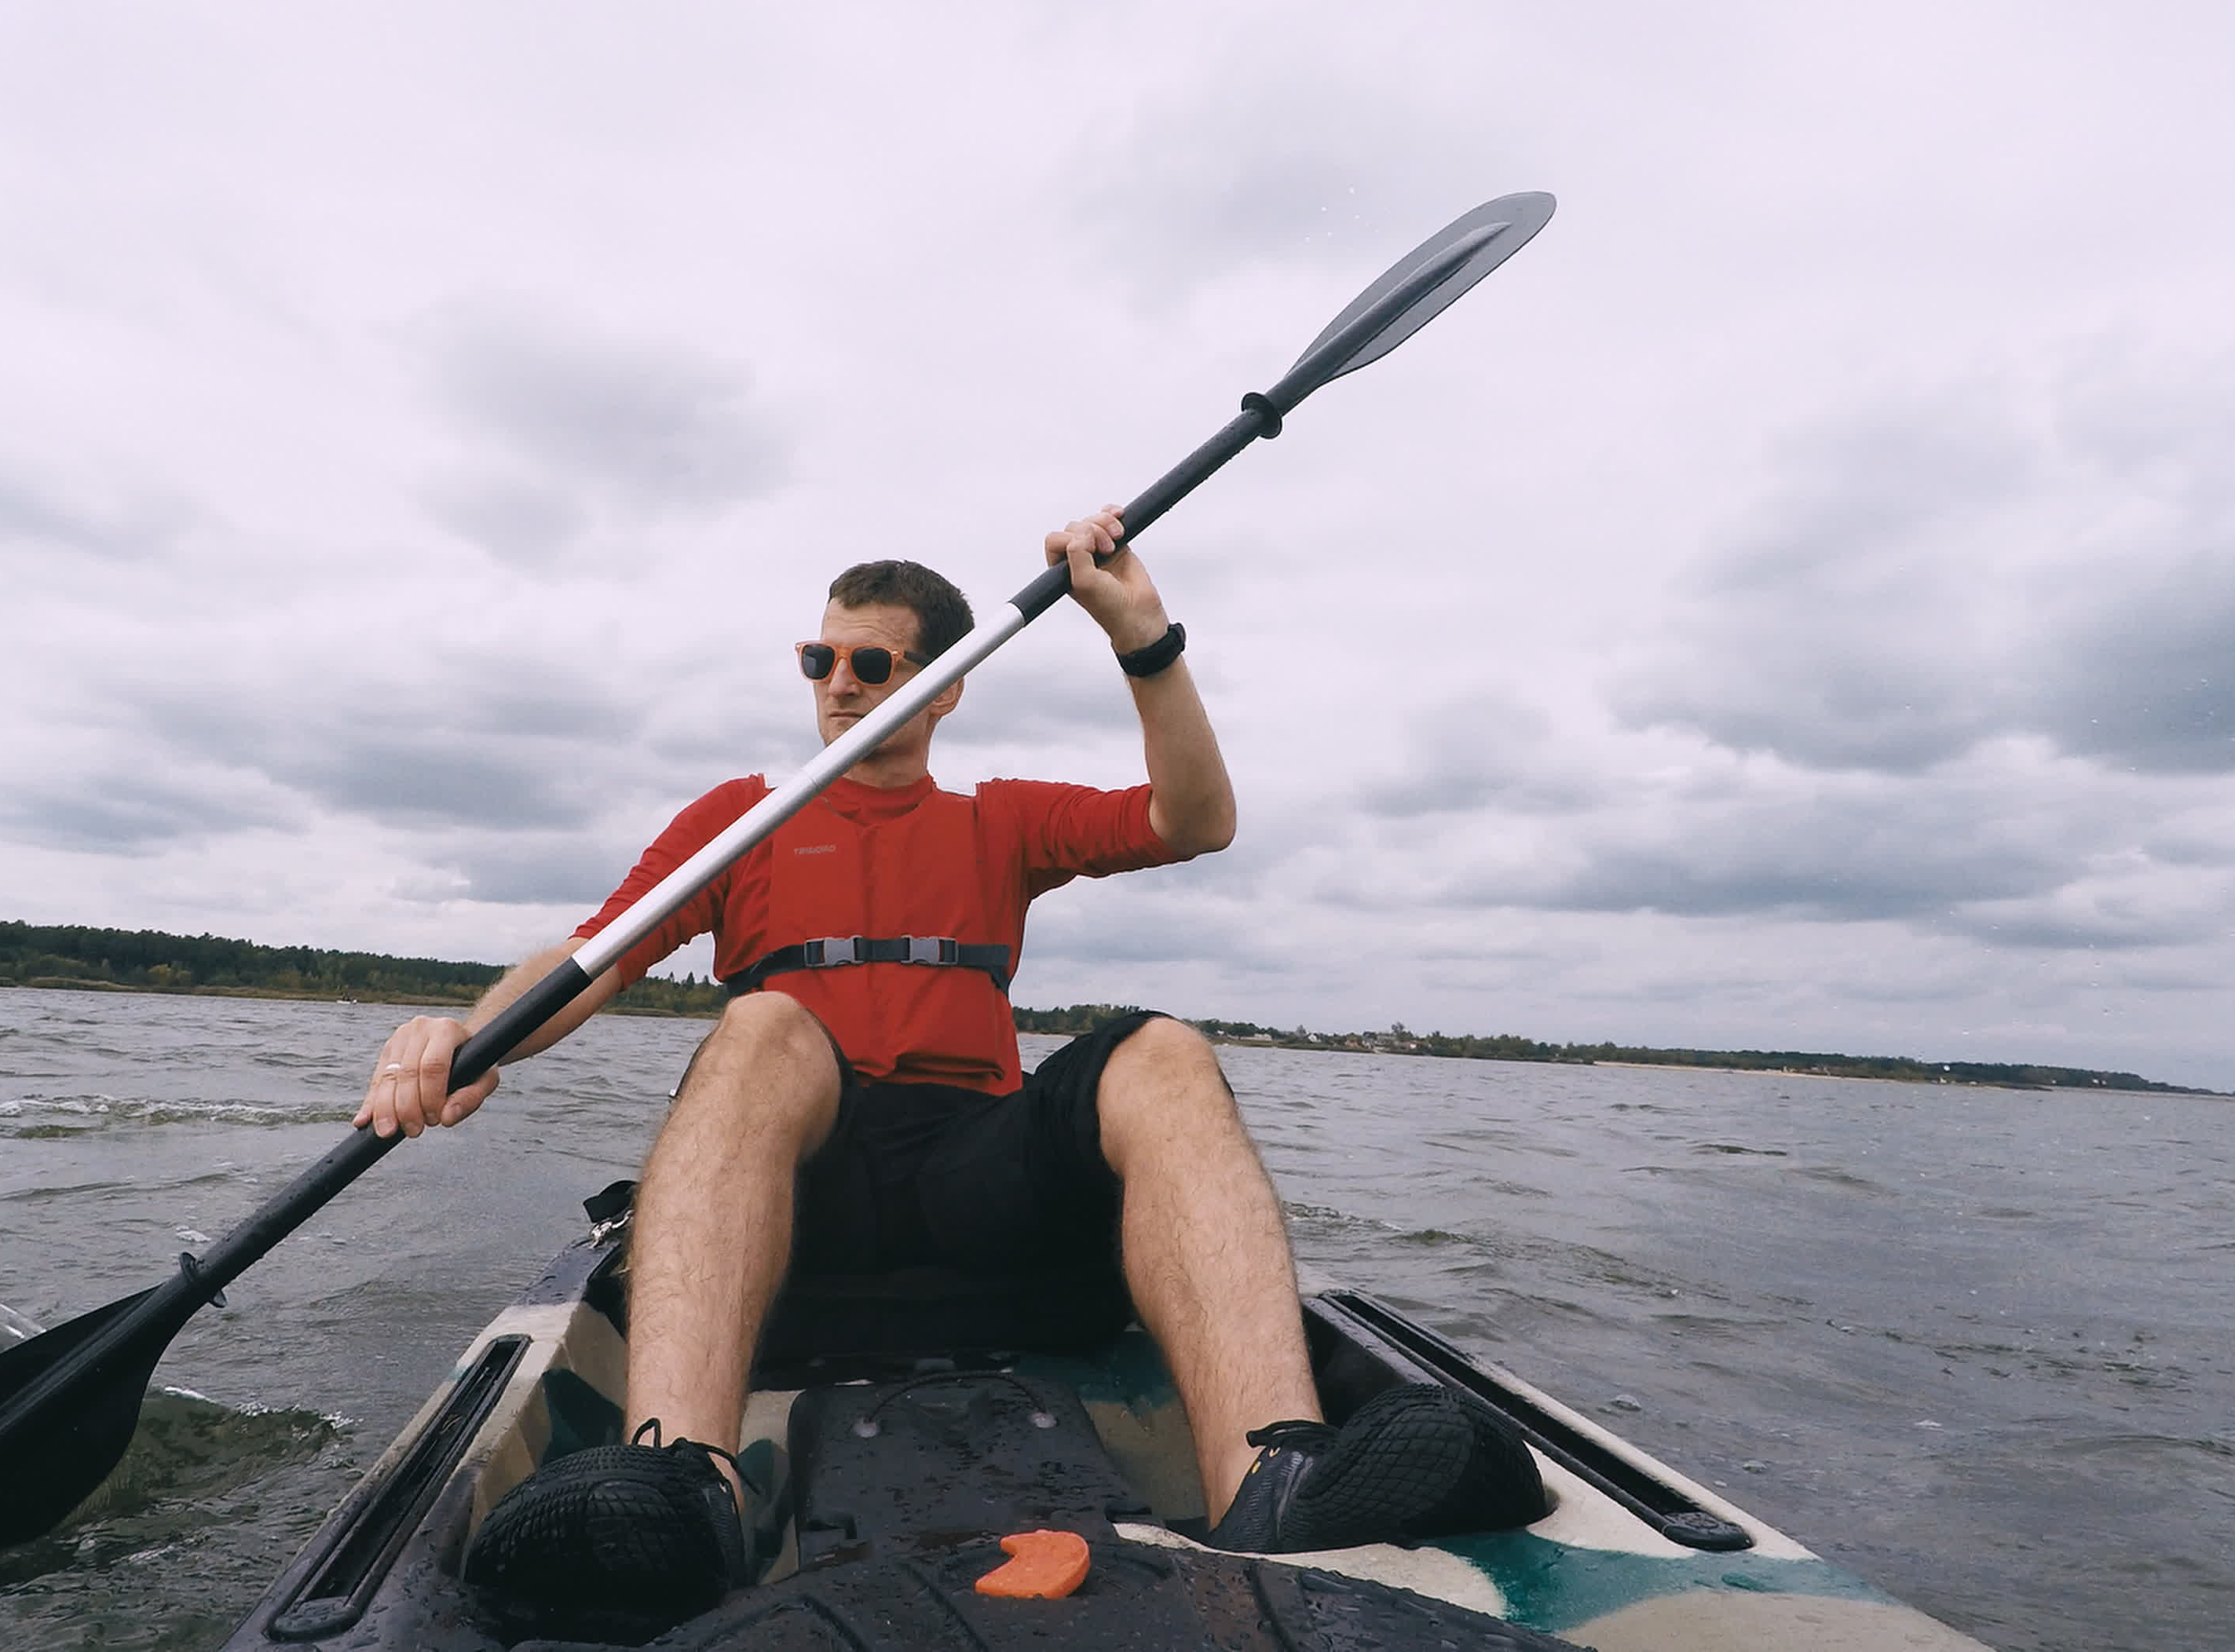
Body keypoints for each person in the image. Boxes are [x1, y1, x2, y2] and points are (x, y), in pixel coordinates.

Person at [353, 507, 1521, 1628]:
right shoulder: (740, 819)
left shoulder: (1000, 820)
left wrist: (1141, 636)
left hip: (980, 1181)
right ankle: (684, 1485)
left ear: (946, 686)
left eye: (871, 664)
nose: (838, 685)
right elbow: (593, 955)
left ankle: (1276, 1475)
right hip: (807, 1195)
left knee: (1163, 1048)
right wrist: (468, 1036)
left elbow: (1195, 820)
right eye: (819, 659)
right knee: (763, 1026)